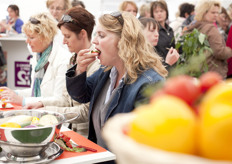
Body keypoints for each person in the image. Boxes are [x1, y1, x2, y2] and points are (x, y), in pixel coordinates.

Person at [65, 11, 167, 151]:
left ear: (124, 40)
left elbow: (142, 144)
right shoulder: (107, 71)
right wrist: (79, 70)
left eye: (101, 35)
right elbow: (81, 95)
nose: (94, 41)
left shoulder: (150, 83)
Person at [24, 7, 100, 137]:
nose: (64, 42)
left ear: (82, 34)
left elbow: (86, 111)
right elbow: (66, 98)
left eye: (67, 36)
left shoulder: (97, 65)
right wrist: (42, 104)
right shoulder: (72, 59)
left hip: (86, 136)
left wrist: (49, 111)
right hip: (71, 131)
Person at [0, 13, 72, 105]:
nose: (27, 41)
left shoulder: (64, 59)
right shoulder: (38, 57)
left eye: (31, 37)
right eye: (26, 37)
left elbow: (60, 100)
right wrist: (13, 93)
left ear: (46, 37)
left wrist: (23, 101)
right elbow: (35, 91)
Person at [185, 0, 232, 79]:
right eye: (213, 12)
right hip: (214, 73)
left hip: (200, 71)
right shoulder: (210, 28)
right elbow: (219, 52)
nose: (216, 15)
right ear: (204, 12)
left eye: (217, 12)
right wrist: (229, 51)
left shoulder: (195, 26)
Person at [150, 0, 175, 70]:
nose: (159, 14)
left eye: (161, 11)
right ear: (153, 14)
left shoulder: (170, 29)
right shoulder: (153, 31)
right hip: (161, 67)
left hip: (173, 66)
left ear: (166, 12)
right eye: (156, 12)